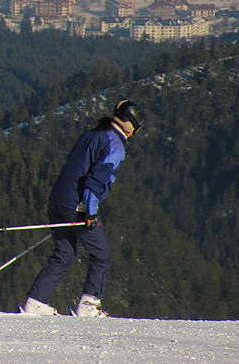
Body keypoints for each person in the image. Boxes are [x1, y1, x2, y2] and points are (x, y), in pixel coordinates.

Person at [22, 99, 144, 317]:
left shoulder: (91, 134)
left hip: (57, 199)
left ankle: (36, 302)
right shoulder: (115, 146)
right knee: (102, 254)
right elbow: (93, 184)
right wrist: (91, 213)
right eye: (138, 125)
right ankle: (89, 305)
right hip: (77, 205)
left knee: (65, 254)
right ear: (129, 124)